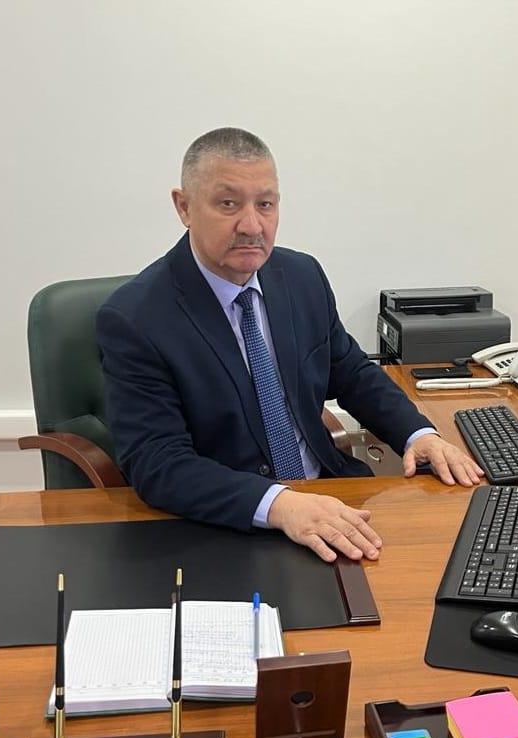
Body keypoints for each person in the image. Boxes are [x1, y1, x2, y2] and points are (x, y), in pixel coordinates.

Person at [97, 127, 483, 563]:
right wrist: (279, 504)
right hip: (231, 524)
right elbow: (158, 463)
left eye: (265, 204)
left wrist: (417, 434)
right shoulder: (136, 318)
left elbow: (351, 372)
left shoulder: (301, 277)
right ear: (184, 207)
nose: (252, 226)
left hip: (330, 496)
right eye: (228, 204)